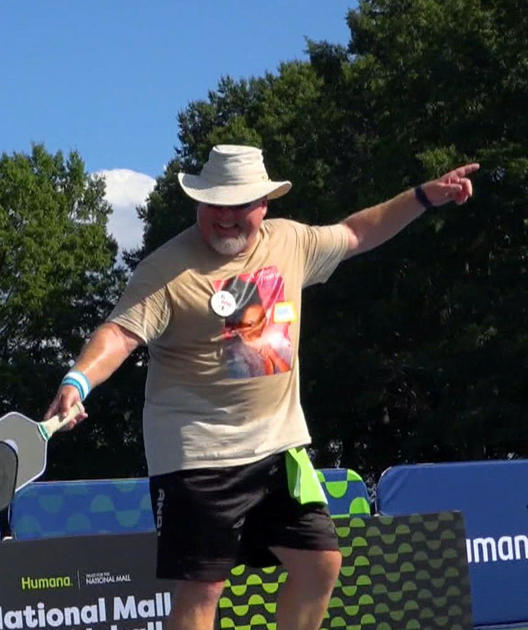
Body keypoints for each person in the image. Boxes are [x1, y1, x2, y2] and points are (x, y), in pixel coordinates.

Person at [45, 145, 478, 630]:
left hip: (278, 449)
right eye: (216, 205)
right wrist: (77, 379)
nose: (227, 218)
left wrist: (423, 196)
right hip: (197, 456)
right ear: (198, 205)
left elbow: (358, 232)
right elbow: (119, 334)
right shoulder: (166, 269)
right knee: (203, 588)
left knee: (320, 564)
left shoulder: (292, 242)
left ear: (264, 205)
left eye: (241, 206)